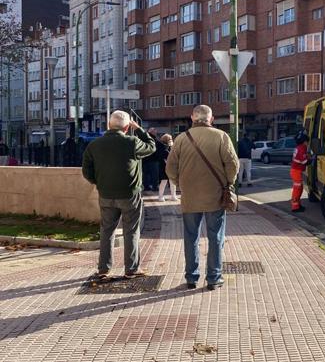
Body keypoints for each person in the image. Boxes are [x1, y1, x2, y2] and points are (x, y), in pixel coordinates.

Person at [166, 105, 239, 290]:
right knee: (216, 237)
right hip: (215, 195)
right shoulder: (221, 136)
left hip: (190, 196)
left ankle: (191, 277)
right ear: (211, 119)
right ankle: (213, 278)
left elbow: (170, 168)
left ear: (192, 117)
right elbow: (233, 164)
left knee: (191, 237)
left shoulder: (181, 139)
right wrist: (228, 182)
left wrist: (179, 184)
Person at [81, 110, 156, 279]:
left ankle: (104, 268)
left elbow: (86, 171)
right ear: (127, 127)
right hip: (130, 194)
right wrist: (139, 129)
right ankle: (131, 269)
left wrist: (99, 183)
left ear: (109, 125)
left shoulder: (94, 145)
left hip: (106, 195)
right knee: (131, 231)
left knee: (107, 231)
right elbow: (151, 147)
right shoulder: (132, 142)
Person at [290, 130, 309, 213]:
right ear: (304, 142)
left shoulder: (299, 147)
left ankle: (297, 204)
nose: (307, 143)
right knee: (297, 189)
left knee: (299, 188)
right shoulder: (301, 148)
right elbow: (304, 161)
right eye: (307, 142)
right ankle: (295, 207)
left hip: (296, 170)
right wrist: (313, 159)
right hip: (296, 171)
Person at [158, 134, 178, 202]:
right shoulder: (163, 147)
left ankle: (173, 196)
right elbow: (168, 155)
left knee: (171, 182)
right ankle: (161, 196)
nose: (171, 140)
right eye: (170, 139)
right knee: (164, 181)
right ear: (167, 140)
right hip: (165, 166)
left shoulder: (167, 146)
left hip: (167, 166)